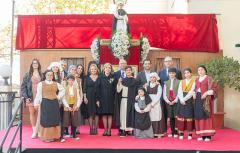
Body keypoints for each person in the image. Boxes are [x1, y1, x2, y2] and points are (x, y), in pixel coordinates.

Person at [34, 70, 65, 142]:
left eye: (51, 75)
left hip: (54, 103)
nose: (49, 76)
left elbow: (63, 90)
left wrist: (58, 97)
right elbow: (38, 95)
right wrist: (36, 103)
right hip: (45, 103)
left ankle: (54, 136)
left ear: (53, 76)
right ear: (45, 75)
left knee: (54, 120)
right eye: (48, 75)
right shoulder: (41, 84)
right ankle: (46, 137)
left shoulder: (56, 84)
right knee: (46, 120)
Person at [158, 56, 182, 131]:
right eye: (166, 61)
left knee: (175, 114)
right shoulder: (160, 72)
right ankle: (164, 129)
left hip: (175, 97)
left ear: (172, 62)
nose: (168, 62)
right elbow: (159, 84)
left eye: (169, 61)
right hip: (164, 96)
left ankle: (175, 129)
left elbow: (180, 83)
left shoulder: (178, 71)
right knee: (164, 112)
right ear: (164, 63)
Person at [194, 65, 217, 142]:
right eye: (199, 70)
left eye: (202, 69)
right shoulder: (196, 80)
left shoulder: (209, 79)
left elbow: (214, 89)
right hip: (198, 99)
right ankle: (201, 135)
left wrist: (206, 93)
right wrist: (194, 93)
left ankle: (208, 136)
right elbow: (195, 89)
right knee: (199, 116)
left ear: (205, 70)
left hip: (206, 100)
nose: (200, 71)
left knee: (206, 116)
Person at [21, 59, 43, 138]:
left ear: (38, 64)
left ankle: (39, 131)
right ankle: (34, 131)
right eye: (33, 63)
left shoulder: (42, 74)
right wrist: (26, 97)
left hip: (40, 97)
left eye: (36, 63)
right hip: (31, 97)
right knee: (32, 113)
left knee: (39, 114)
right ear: (31, 65)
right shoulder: (28, 75)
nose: (35, 64)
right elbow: (23, 87)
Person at [116, 66, 137, 137]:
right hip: (124, 100)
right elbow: (118, 90)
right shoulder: (123, 80)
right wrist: (119, 83)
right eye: (127, 70)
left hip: (131, 100)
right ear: (125, 71)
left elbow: (136, 91)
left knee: (130, 115)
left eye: (129, 70)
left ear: (131, 71)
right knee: (123, 115)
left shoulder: (134, 80)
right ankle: (123, 129)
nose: (128, 71)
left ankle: (129, 130)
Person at [176, 68, 195, 140]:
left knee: (189, 116)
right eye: (185, 73)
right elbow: (179, 91)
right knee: (181, 116)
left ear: (191, 74)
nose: (186, 74)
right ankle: (181, 133)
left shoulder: (193, 82)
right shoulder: (182, 81)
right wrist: (181, 99)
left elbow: (191, 92)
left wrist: (184, 99)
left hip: (189, 100)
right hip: (181, 101)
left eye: (188, 73)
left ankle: (190, 133)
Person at [98, 63, 117, 136]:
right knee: (104, 115)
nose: (108, 69)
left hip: (111, 99)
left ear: (111, 69)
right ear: (104, 69)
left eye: (109, 68)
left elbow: (115, 89)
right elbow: (98, 88)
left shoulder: (113, 77)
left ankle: (109, 130)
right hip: (102, 98)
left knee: (110, 115)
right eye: (106, 67)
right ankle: (105, 130)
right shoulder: (100, 77)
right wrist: (98, 99)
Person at [146, 72, 166, 138]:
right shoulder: (147, 86)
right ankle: (151, 133)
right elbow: (145, 94)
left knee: (157, 117)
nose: (152, 78)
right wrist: (148, 103)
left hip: (156, 104)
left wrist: (153, 103)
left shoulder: (158, 86)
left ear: (156, 78)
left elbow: (159, 95)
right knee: (150, 117)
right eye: (151, 77)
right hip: (149, 103)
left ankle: (158, 133)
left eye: (154, 77)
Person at [62, 75, 82, 141]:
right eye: (69, 80)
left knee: (74, 120)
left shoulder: (76, 88)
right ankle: (64, 134)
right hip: (67, 106)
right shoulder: (64, 88)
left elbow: (79, 98)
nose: (71, 81)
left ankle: (74, 135)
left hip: (74, 105)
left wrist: (77, 106)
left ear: (74, 81)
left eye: (72, 80)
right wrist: (67, 106)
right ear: (67, 81)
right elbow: (63, 98)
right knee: (66, 120)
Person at [83, 64, 100, 135]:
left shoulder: (99, 78)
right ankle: (91, 128)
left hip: (98, 97)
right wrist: (85, 97)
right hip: (89, 97)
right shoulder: (87, 78)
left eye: (95, 69)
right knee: (90, 113)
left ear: (97, 70)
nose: (93, 70)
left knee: (96, 113)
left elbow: (101, 88)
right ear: (90, 70)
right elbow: (84, 88)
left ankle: (95, 129)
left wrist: (99, 99)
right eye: (92, 69)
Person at [163, 68, 180, 138]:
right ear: (168, 74)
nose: (171, 74)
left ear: (175, 74)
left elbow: (179, 92)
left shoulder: (179, 82)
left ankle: (176, 131)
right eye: (170, 73)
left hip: (176, 102)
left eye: (173, 73)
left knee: (176, 117)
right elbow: (164, 93)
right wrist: (167, 101)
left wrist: (175, 100)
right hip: (168, 102)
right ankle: (172, 131)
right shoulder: (166, 82)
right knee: (171, 117)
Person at [114, 59, 127, 135]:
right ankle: (120, 129)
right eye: (121, 63)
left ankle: (127, 129)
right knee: (119, 112)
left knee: (126, 112)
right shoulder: (115, 74)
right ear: (119, 65)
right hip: (118, 96)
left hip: (127, 96)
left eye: (124, 63)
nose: (122, 65)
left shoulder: (129, 73)